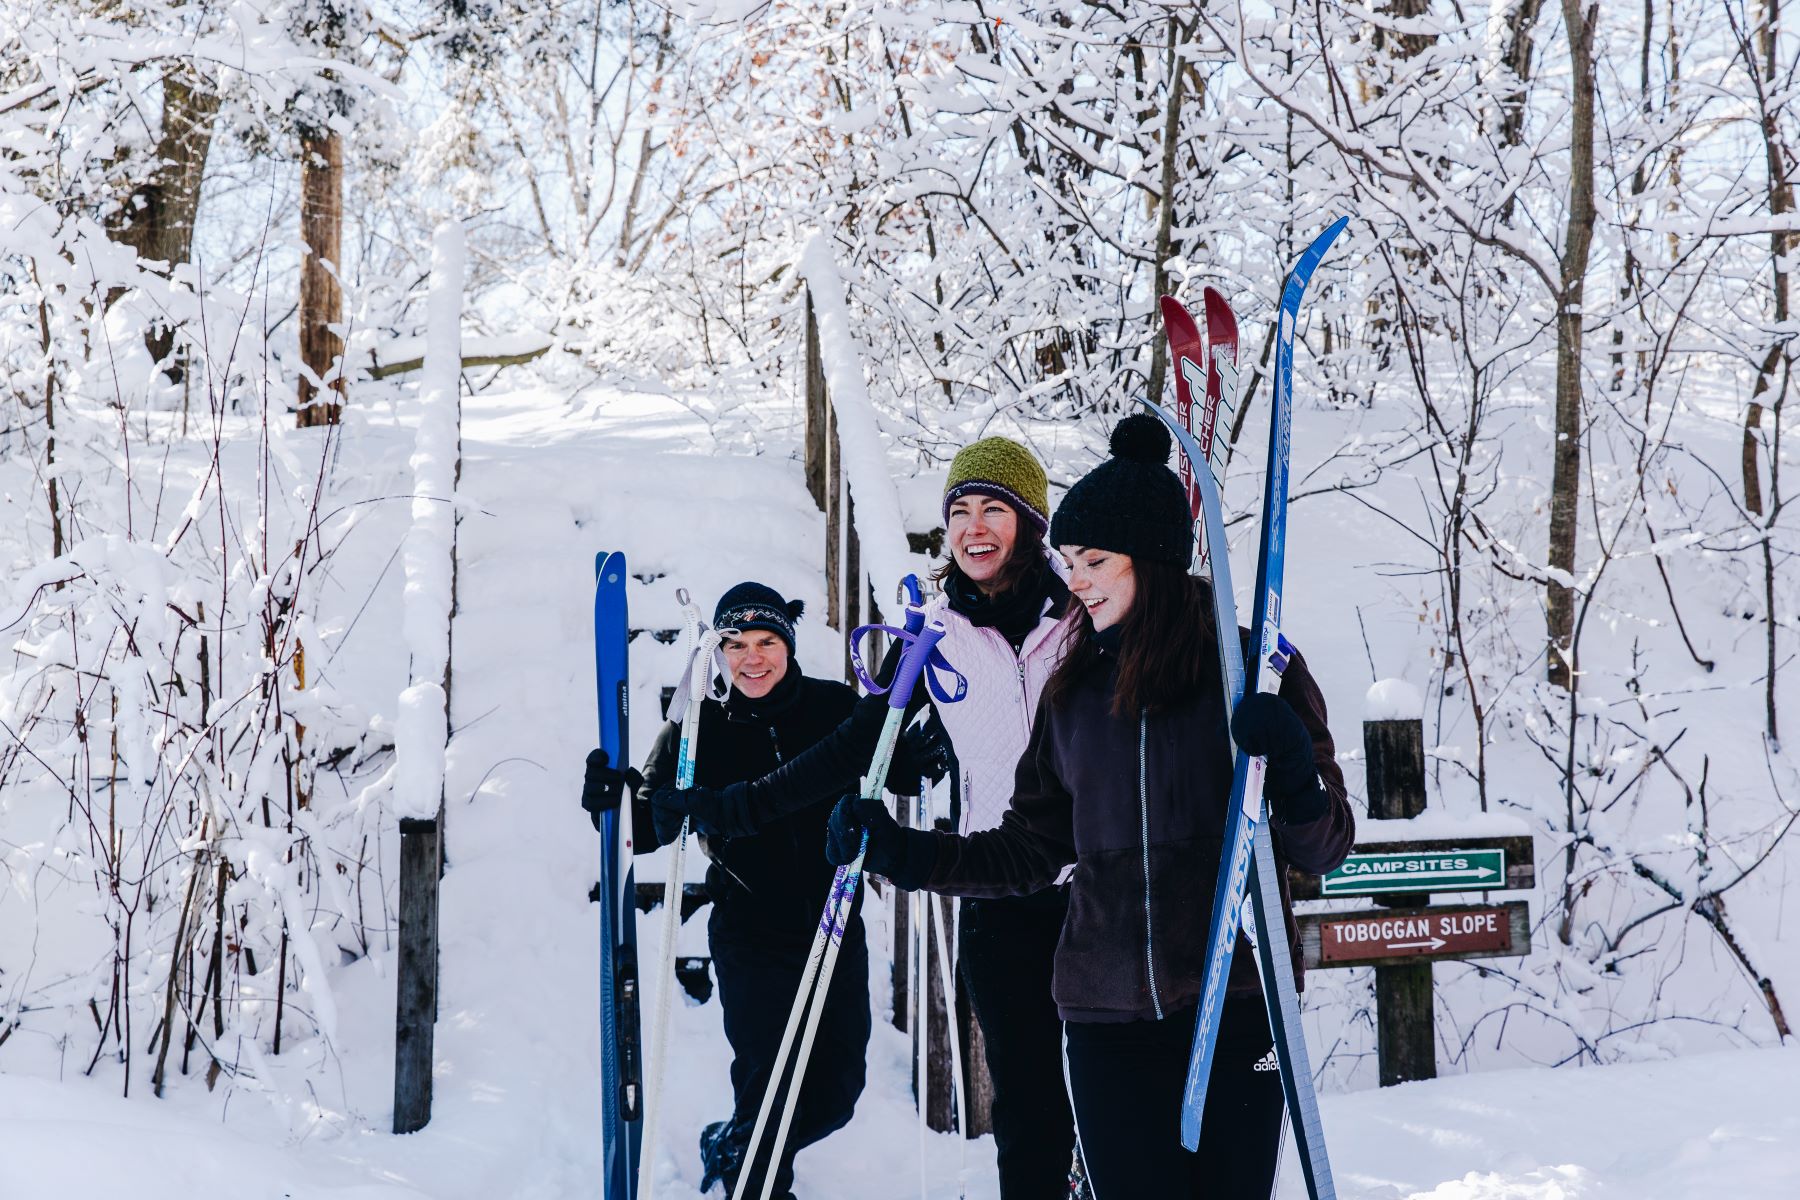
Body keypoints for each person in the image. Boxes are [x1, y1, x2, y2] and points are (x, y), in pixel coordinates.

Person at [823, 414, 1356, 1197]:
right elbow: (1026, 848)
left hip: (1234, 997)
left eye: (1095, 561)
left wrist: (1295, 774)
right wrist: (903, 852)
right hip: (1103, 1015)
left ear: (1155, 563)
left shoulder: (1249, 674)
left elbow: (1325, 847)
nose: (1075, 580)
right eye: (1070, 561)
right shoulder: (1073, 692)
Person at [658, 436, 1086, 1199]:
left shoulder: (1087, 618)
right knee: (1027, 1114)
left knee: (1106, 1103)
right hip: (1005, 897)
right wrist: (731, 808)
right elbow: (849, 751)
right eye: (959, 511)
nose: (974, 526)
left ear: (1029, 519)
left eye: (994, 508)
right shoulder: (933, 637)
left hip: (1106, 894)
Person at [580, 582, 868, 1200]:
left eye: (766, 642)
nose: (751, 658)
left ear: (788, 645)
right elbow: (647, 825)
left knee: (835, 1097)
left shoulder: (835, 709)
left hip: (834, 921)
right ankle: (760, 1180)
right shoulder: (696, 729)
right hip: (750, 930)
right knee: (767, 1090)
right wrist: (610, 800)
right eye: (735, 645)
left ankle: (733, 1142)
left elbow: (888, 763)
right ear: (718, 652)